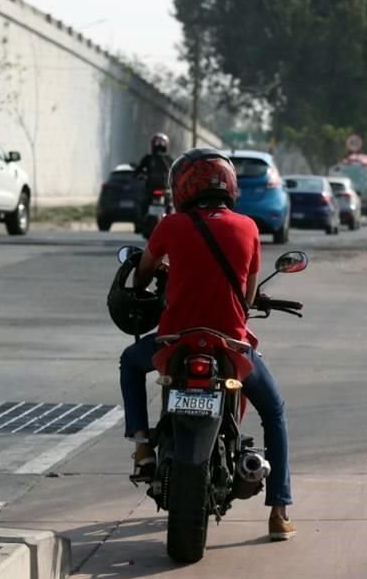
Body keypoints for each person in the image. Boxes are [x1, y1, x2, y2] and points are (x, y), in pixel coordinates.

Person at [118, 147, 295, 541]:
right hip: (230, 345)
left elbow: (142, 275)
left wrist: (167, 271)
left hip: (174, 342)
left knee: (130, 363)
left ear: (182, 187)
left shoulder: (170, 226)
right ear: (229, 186)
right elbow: (248, 296)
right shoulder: (248, 227)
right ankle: (279, 510)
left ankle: (144, 445)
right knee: (275, 412)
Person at [134, 133, 174, 212]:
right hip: (164, 189)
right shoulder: (169, 159)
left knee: (142, 203)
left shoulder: (148, 158)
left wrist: (137, 175)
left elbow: (138, 171)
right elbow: (176, 171)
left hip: (152, 189)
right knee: (169, 205)